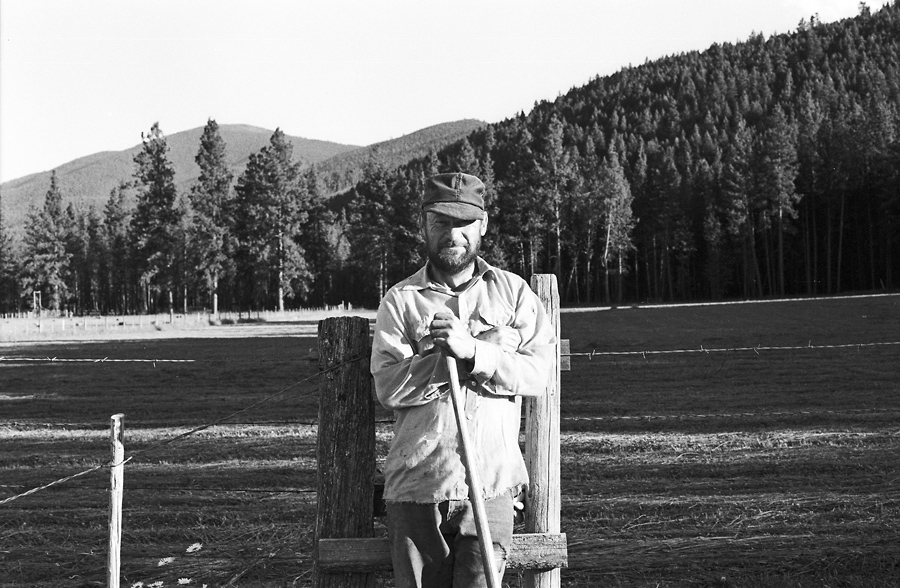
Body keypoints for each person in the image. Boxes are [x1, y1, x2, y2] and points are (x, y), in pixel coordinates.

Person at [370, 171, 556, 588]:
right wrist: (450, 353)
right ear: (424, 224)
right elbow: (389, 386)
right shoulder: (401, 301)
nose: (452, 233)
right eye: (441, 222)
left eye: (463, 222)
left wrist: (474, 352)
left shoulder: (514, 295)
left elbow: (536, 374)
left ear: (483, 224)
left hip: (489, 489)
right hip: (418, 487)